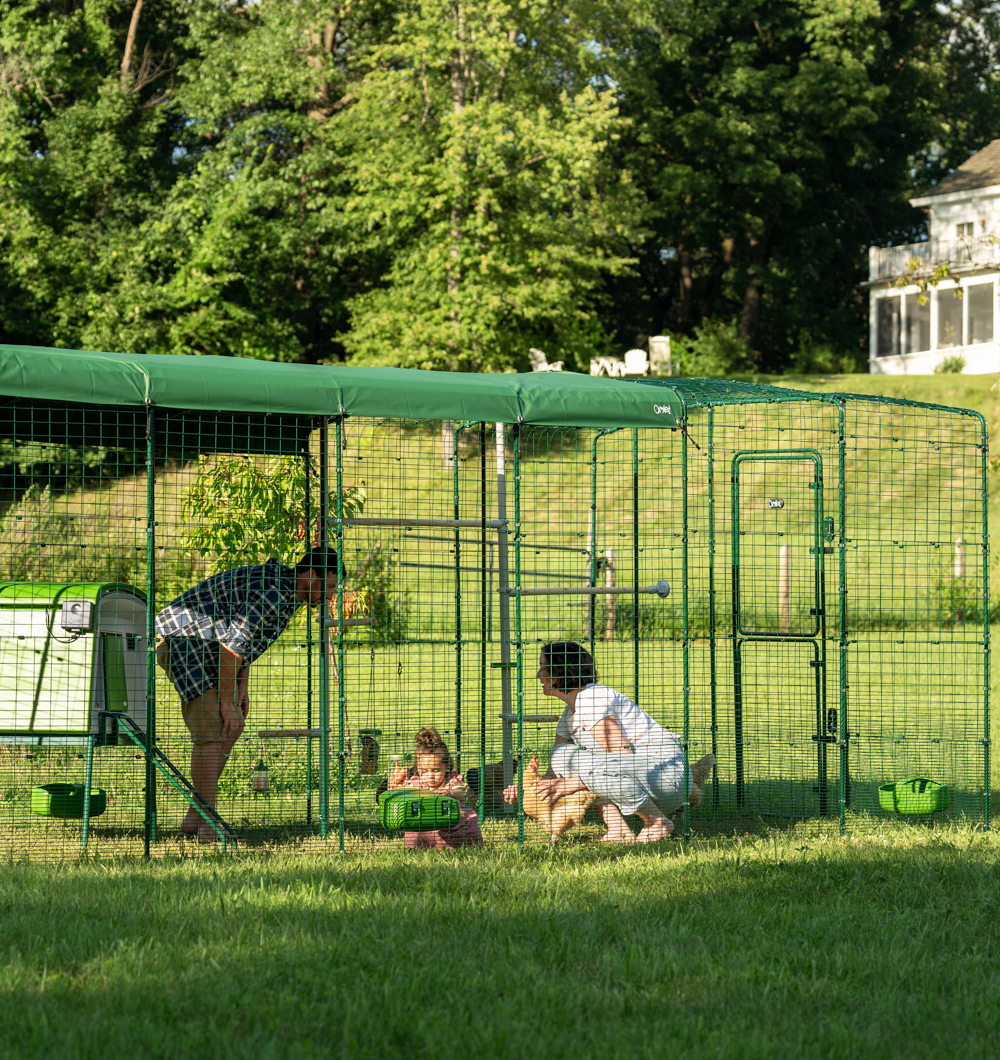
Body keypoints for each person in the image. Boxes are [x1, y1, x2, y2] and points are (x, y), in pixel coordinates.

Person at [155, 547, 339, 841]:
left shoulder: (286, 590)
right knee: (212, 731)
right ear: (310, 575)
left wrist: (241, 688)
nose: (330, 597)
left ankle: (195, 818)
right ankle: (208, 825)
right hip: (184, 641)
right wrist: (226, 701)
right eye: (329, 587)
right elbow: (231, 647)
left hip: (210, 645)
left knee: (232, 727)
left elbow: (241, 640)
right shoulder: (275, 595)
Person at [504, 641, 715, 843]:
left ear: (561, 671)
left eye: (543, 667)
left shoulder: (592, 700)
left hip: (664, 777)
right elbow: (557, 771)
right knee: (561, 756)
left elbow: (621, 758)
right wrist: (526, 789)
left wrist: (574, 782)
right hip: (646, 782)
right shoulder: (571, 711)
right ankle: (618, 830)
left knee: (586, 766)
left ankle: (657, 822)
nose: (538, 675)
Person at [389, 727, 483, 849]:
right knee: (414, 830)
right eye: (424, 771)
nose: (430, 775)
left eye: (436, 770)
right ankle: (418, 848)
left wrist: (448, 793)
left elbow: (460, 793)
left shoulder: (452, 780)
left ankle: (466, 847)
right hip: (426, 821)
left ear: (447, 766)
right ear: (418, 769)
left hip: (452, 818)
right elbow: (406, 794)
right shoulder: (417, 783)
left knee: (471, 822)